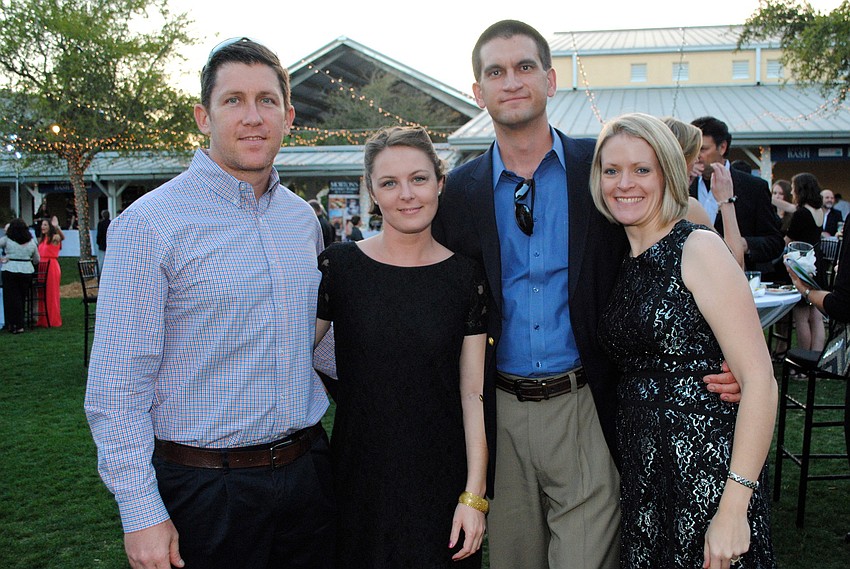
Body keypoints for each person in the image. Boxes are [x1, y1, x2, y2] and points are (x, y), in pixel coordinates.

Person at [432, 20, 742, 569]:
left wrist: (726, 356)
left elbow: (665, 260)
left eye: (525, 67)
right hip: (497, 411)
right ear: (477, 92)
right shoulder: (457, 193)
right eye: (495, 72)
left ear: (551, 80)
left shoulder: (601, 172)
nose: (512, 81)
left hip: (587, 403)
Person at [84, 37, 334, 569]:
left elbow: (310, 338)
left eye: (267, 101)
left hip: (307, 476)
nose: (253, 117)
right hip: (204, 490)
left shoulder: (301, 220)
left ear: (288, 116)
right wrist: (140, 511)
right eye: (233, 100)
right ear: (203, 116)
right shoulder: (150, 225)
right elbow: (116, 384)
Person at [592, 112, 777, 568]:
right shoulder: (622, 258)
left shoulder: (697, 248)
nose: (624, 183)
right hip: (645, 478)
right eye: (611, 170)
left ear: (668, 174)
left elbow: (759, 381)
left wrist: (734, 507)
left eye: (642, 169)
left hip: (705, 471)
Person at [315, 126, 487, 567]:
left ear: (440, 183)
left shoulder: (467, 277)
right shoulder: (340, 267)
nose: (406, 194)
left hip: (442, 483)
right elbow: (286, 354)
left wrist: (475, 495)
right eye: (389, 183)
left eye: (419, 178)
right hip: (358, 481)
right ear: (372, 192)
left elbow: (472, 394)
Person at [689, 116, 784, 272]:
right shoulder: (685, 185)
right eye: (693, 149)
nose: (696, 155)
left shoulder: (753, 187)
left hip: (737, 276)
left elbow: (775, 242)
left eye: (703, 149)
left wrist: (744, 244)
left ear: (722, 147)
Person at [664, 117, 745, 269]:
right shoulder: (685, 207)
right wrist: (727, 201)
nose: (698, 159)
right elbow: (734, 264)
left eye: (703, 149)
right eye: (696, 152)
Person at [786, 172, 827, 353]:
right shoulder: (819, 211)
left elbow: (789, 239)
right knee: (816, 317)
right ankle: (816, 358)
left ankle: (803, 360)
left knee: (801, 318)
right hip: (819, 262)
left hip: (803, 265)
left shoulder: (801, 213)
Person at [1, 218, 40, 334]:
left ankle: (12, 323)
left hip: (10, 269)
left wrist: (2, 259)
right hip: (26, 270)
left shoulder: (7, 240)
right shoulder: (32, 242)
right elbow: (37, 259)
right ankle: (20, 323)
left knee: (11, 298)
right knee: (22, 297)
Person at [36, 216, 63, 328]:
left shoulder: (54, 238)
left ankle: (52, 319)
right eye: (42, 225)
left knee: (51, 293)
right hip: (41, 266)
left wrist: (56, 227)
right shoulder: (42, 240)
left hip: (51, 266)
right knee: (41, 293)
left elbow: (62, 237)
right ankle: (42, 319)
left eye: (45, 225)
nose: (43, 227)